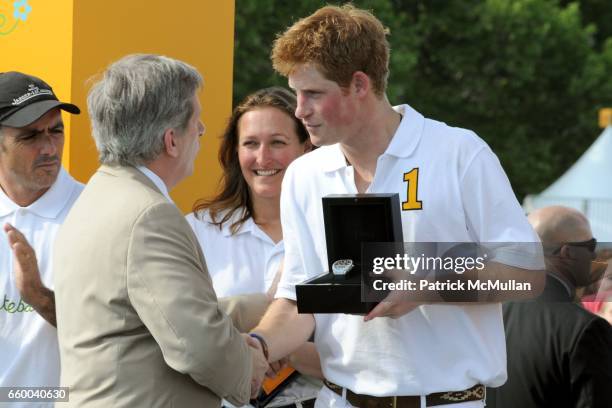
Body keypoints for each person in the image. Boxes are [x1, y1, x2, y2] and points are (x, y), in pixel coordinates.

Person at [248, 5, 544, 408]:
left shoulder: (459, 153)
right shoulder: (305, 175)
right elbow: (302, 300)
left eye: (313, 94)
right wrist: (258, 345)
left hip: (444, 401)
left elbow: (526, 273)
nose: (299, 110)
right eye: (298, 93)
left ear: (359, 84)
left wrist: (427, 283)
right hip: (337, 399)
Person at [53, 54, 268, 408]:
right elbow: (196, 343)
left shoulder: (98, 196)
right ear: (171, 140)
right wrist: (250, 367)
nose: (201, 135)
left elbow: (148, 319)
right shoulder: (149, 215)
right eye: (197, 125)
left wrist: (262, 306)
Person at [186, 87, 321, 407]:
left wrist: (272, 345)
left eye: (277, 142)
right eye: (250, 144)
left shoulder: (332, 232)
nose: (263, 158)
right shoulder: (196, 230)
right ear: (234, 151)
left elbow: (360, 356)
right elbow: (179, 332)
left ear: (305, 147)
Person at [0, 71, 82, 406]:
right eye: (31, 136)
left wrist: (39, 296)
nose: (49, 147)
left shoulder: (95, 212)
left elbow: (123, 334)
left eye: (56, 131)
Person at [486, 206, 612, 407]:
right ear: (567, 252)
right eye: (590, 246)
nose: (594, 255)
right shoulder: (586, 328)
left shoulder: (491, 313)